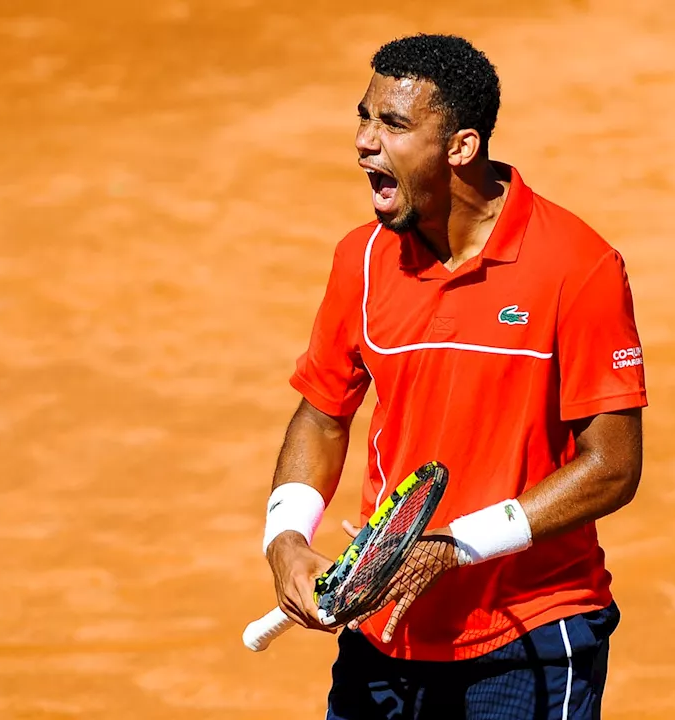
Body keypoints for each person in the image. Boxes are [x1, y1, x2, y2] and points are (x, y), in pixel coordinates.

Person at [259, 33, 648, 719]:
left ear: (461, 147)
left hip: (530, 632)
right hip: (387, 633)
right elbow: (323, 413)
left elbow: (613, 465)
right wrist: (285, 535)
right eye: (364, 117)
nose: (364, 141)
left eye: (394, 124)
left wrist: (458, 546)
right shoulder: (364, 260)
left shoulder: (576, 267)